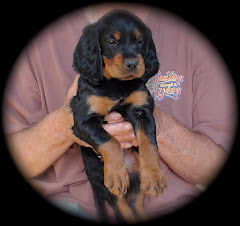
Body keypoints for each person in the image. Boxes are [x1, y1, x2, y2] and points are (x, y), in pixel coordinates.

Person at [2, 3, 237, 222]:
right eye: (113, 43)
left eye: (138, 44)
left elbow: (213, 167)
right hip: (71, 203)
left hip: (170, 201)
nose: (131, 59)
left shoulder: (193, 41)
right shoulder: (42, 45)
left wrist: (155, 124)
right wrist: (63, 125)